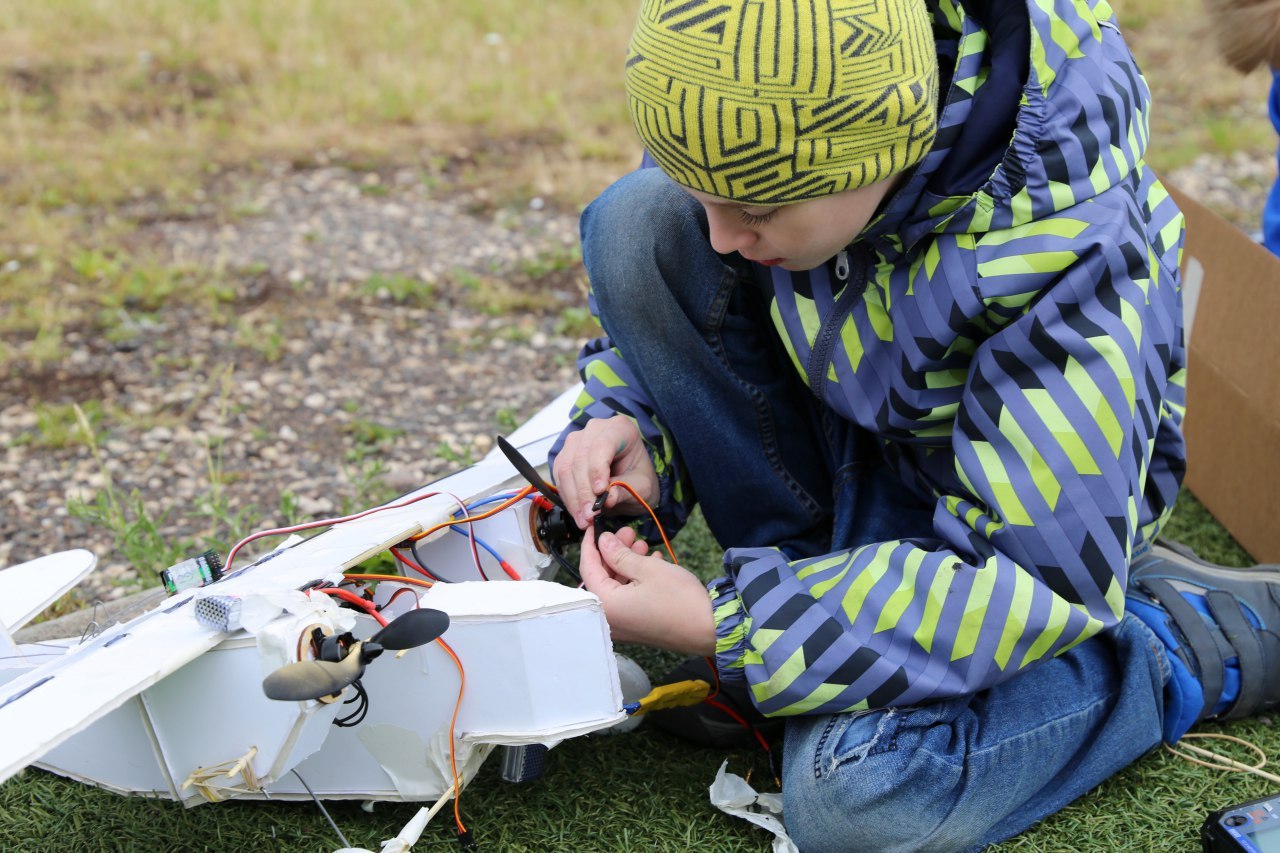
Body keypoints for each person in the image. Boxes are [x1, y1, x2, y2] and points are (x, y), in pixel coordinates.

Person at [549, 0, 1280, 849]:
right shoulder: (759, 90)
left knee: (859, 797)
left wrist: (734, 627)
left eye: (753, 203)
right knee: (638, 219)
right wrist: (636, 420)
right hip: (864, 438)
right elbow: (706, 239)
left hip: (1006, 532)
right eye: (705, 191)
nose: (719, 235)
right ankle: (807, 603)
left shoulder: (1071, 248)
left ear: (884, 152)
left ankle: (1174, 637)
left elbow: (1029, 579)